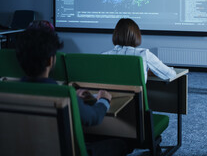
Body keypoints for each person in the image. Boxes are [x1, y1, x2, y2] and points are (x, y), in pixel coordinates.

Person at [15, 20, 128, 156]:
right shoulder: (64, 95)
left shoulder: (10, 90)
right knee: (121, 145)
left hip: (28, 149)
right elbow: (93, 118)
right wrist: (104, 100)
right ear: (50, 60)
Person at [103, 18, 176, 82]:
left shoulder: (104, 56)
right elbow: (170, 74)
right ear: (136, 35)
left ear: (115, 34)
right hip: (135, 97)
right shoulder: (143, 54)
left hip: (109, 97)